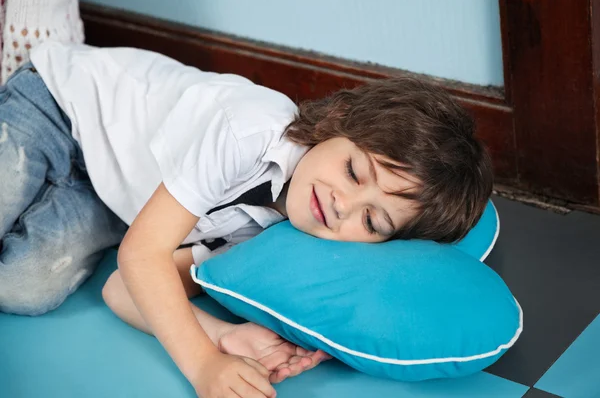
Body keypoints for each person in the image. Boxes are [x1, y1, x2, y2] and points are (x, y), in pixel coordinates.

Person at [0, 41, 493, 398]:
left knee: (21, 289)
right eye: (352, 171)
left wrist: (222, 336)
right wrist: (202, 364)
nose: (344, 203)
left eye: (373, 223)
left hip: (107, 194)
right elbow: (141, 255)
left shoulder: (273, 234)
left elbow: (123, 289)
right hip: (59, 104)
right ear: (339, 123)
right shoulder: (249, 130)